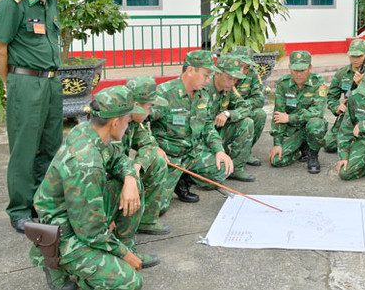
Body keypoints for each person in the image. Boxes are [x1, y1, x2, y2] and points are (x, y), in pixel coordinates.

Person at [32, 85, 160, 290]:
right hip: (63, 232)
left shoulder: (89, 131)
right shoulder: (86, 164)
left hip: (78, 217)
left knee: (132, 185)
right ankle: (56, 262)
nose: (129, 125)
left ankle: (114, 252)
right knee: (129, 282)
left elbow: (118, 158)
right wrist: (123, 254)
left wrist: (129, 178)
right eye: (128, 120)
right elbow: (90, 233)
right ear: (116, 122)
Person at [0, 0, 73, 233]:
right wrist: (9, 83)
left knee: (50, 147)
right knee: (24, 148)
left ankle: (44, 202)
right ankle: (20, 210)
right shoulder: (13, 5)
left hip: (51, 81)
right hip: (25, 82)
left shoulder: (50, 3)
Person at [152, 50, 234, 205]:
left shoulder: (203, 95)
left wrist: (219, 150)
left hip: (193, 153)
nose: (208, 80)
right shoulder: (164, 94)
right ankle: (174, 178)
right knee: (158, 207)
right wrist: (151, 146)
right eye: (206, 74)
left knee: (222, 169)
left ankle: (184, 177)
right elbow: (138, 122)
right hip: (170, 157)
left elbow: (208, 125)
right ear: (190, 70)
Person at [122, 76, 172, 235]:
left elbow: (149, 144)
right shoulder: (113, 123)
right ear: (136, 106)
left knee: (157, 161)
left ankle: (146, 221)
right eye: (149, 106)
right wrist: (130, 175)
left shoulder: (134, 122)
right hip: (101, 182)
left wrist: (137, 166)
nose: (150, 111)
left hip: (122, 171)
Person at [268, 50, 328, 174]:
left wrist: (290, 118)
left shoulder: (318, 83)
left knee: (316, 124)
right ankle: (300, 147)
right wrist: (277, 143)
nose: (298, 74)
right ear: (290, 68)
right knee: (276, 161)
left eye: (302, 70)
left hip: (309, 126)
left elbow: (318, 111)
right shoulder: (283, 84)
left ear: (310, 68)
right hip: (293, 131)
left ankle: (312, 155)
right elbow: (278, 114)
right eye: (295, 70)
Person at [203, 54, 256, 182]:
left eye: (235, 80)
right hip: (204, 137)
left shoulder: (229, 89)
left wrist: (228, 114)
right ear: (217, 73)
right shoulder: (204, 89)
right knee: (214, 178)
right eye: (229, 78)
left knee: (247, 122)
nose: (233, 83)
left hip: (219, 132)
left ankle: (236, 168)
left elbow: (245, 107)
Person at [325, 38, 365, 154]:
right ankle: (353, 140)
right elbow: (332, 96)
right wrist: (337, 108)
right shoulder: (342, 73)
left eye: (359, 56)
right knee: (329, 145)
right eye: (352, 56)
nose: (355, 60)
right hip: (348, 114)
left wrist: (362, 85)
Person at [230, 46, 267, 166]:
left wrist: (243, 106)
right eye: (240, 65)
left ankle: (246, 151)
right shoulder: (225, 73)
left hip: (244, 111)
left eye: (246, 67)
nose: (242, 70)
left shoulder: (252, 74)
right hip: (225, 113)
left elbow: (259, 99)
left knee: (259, 115)